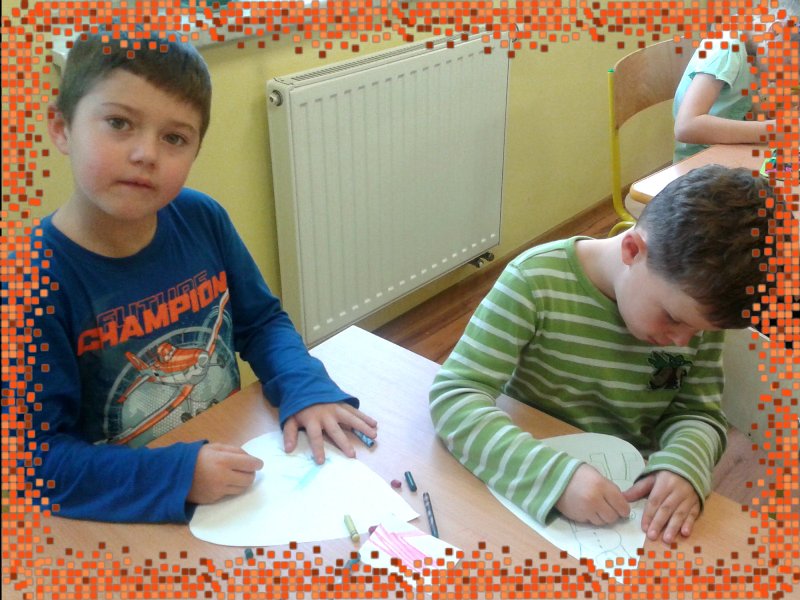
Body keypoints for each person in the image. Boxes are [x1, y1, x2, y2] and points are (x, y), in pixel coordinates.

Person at [18, 29, 377, 523]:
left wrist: (306, 387)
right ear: (61, 128)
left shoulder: (202, 217)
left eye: (174, 138)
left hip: (229, 467)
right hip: (125, 507)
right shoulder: (29, 282)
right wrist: (176, 476)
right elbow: (34, 461)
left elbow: (261, 322)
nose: (146, 154)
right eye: (119, 123)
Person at [429, 165, 776, 545]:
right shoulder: (533, 282)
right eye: (673, 318)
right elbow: (455, 396)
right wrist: (554, 478)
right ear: (632, 250)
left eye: (697, 331)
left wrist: (683, 464)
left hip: (623, 503)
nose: (682, 341)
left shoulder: (694, 313)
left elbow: (698, 412)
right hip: (522, 478)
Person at [672, 0, 799, 162]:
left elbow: (738, 108)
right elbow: (685, 127)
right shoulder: (725, 49)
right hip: (699, 162)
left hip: (732, 152)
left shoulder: (757, 55)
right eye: (790, 64)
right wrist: (774, 130)